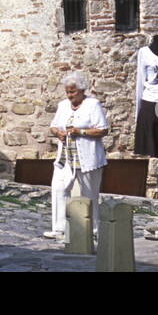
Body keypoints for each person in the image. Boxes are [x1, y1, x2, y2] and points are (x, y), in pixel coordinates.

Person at [44, 73, 109, 242]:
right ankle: (59, 228)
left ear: (81, 90)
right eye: (67, 92)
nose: (70, 95)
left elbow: (103, 130)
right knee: (59, 189)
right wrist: (58, 132)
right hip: (66, 158)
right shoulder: (63, 105)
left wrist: (80, 132)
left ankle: (93, 230)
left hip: (87, 158)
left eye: (73, 92)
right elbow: (53, 126)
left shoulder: (92, 104)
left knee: (89, 194)